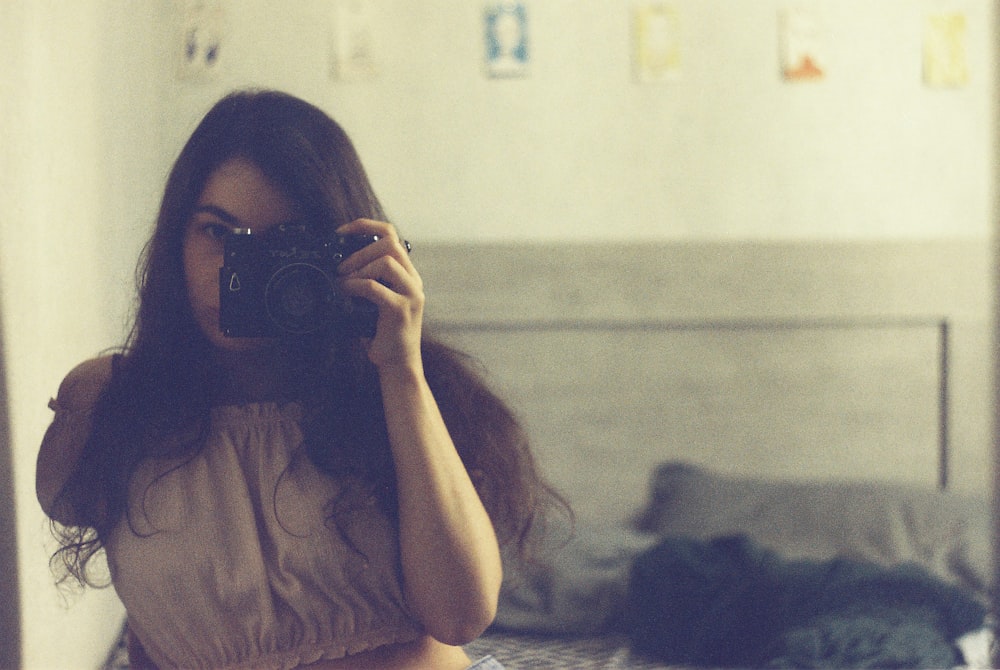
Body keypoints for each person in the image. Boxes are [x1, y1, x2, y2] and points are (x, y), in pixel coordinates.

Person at [36, 89, 565, 669]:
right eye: (219, 233)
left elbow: (462, 614)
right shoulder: (111, 403)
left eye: (277, 249)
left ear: (333, 253)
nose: (238, 273)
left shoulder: (394, 392)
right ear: (174, 237)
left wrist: (401, 368)